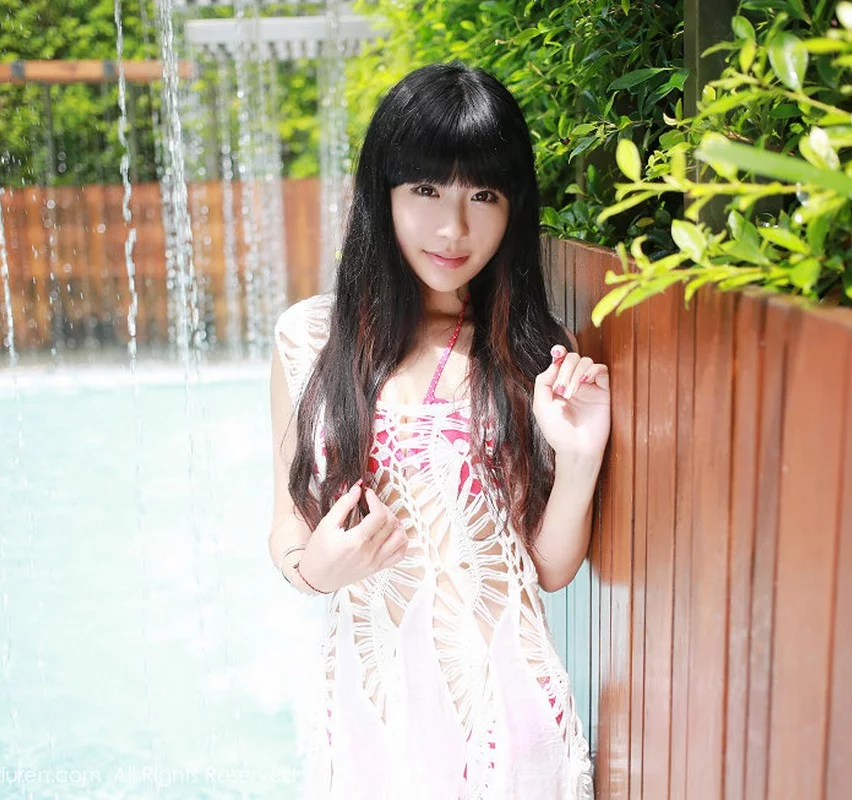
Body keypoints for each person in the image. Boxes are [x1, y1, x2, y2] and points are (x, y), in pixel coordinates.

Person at [268, 61, 609, 799]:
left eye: (483, 195)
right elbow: (287, 522)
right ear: (382, 193)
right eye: (426, 190)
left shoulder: (530, 352)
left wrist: (580, 458)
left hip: (506, 729)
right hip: (370, 719)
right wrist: (314, 571)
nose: (455, 228)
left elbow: (545, 569)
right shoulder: (309, 340)